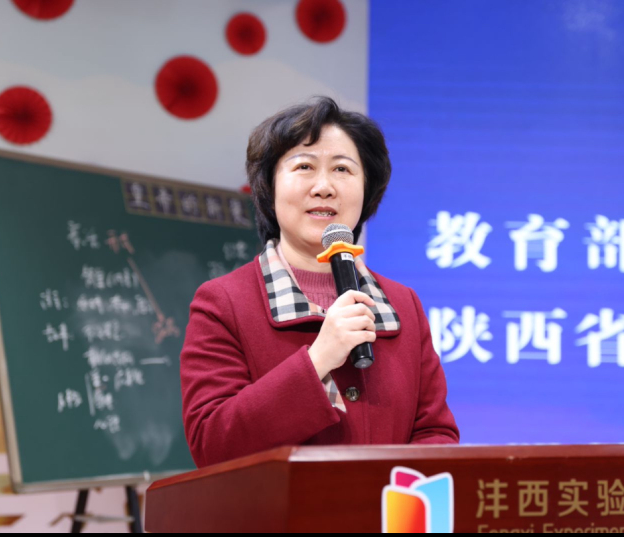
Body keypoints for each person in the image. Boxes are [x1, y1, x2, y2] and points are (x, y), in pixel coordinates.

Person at [180, 96, 459, 467]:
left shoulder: (402, 303)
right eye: (304, 167)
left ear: (367, 188)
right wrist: (318, 359)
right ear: (269, 187)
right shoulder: (223, 302)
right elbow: (212, 444)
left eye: (342, 169)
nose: (324, 186)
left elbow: (435, 433)